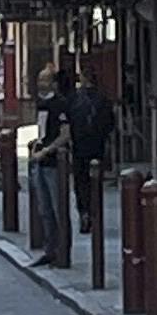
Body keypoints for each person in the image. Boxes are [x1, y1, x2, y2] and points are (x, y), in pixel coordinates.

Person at [65, 61, 119, 216]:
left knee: (80, 180)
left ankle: (84, 211)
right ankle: (95, 211)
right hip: (97, 145)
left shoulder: (74, 98)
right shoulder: (103, 99)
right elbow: (110, 123)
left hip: (79, 145)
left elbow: (68, 121)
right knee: (95, 181)